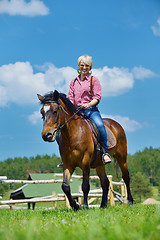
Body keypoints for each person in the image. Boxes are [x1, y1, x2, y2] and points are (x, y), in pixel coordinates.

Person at [68, 55, 111, 164]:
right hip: (77, 111)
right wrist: (72, 106)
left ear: (90, 67)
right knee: (63, 129)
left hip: (91, 110)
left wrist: (88, 104)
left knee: (100, 126)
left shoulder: (94, 80)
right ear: (79, 66)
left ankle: (105, 152)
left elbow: (97, 97)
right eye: (82, 65)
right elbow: (70, 97)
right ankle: (66, 156)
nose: (84, 67)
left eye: (87, 65)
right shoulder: (73, 82)